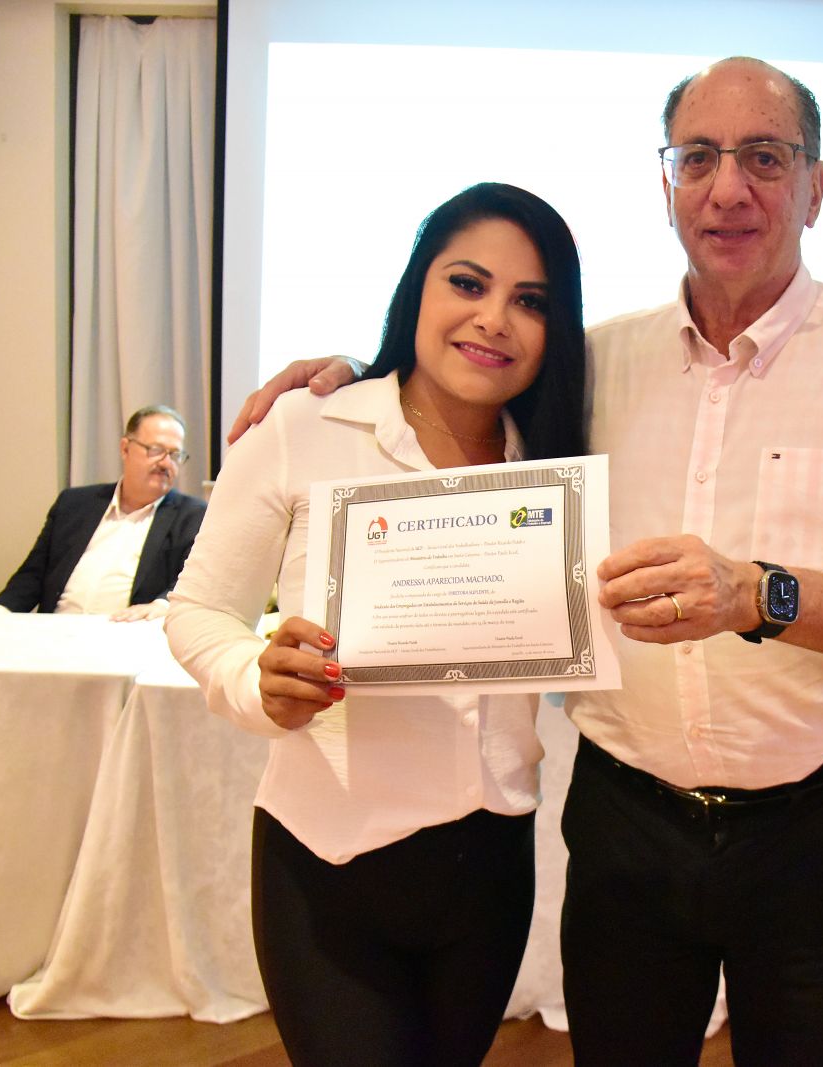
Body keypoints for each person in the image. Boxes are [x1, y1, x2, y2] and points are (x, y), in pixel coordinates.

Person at [231, 58, 823, 1065]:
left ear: (816, 187)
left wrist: (756, 593)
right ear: (666, 184)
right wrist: (355, 376)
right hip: (629, 827)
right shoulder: (594, 362)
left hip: (819, 823)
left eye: (764, 157)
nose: (727, 187)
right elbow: (461, 408)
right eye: (697, 157)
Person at [165, 184, 587, 1067]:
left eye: (531, 301)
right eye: (467, 283)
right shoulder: (307, 426)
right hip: (329, 865)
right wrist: (256, 679)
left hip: (490, 867)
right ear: (417, 288)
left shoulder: (554, 464)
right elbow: (200, 610)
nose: (494, 318)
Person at [0, 405, 204, 621]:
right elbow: (33, 575)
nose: (166, 463)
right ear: (125, 449)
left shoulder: (193, 516)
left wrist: (162, 605)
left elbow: (192, 583)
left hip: (126, 631)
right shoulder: (74, 504)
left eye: (175, 455)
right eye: (156, 450)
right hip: (57, 629)